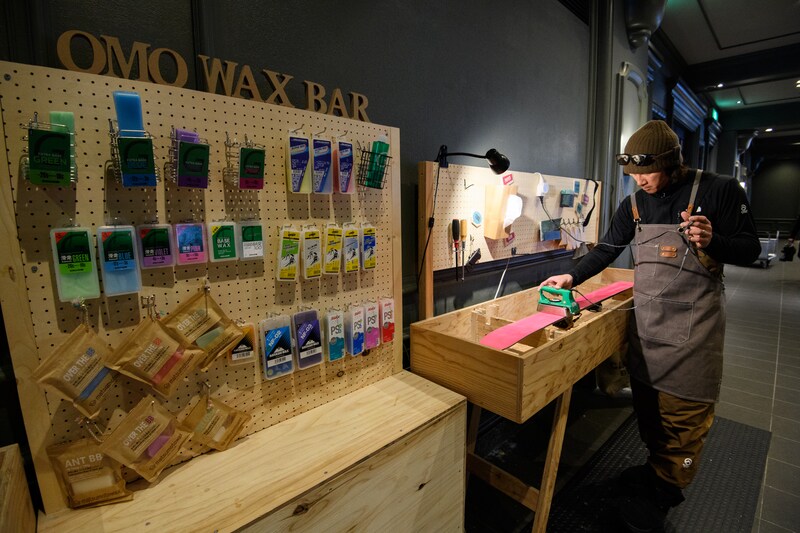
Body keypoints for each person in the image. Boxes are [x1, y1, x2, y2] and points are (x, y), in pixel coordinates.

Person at [540, 120, 761, 532]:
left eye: (648, 172)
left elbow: (750, 248)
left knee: (684, 419)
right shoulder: (635, 204)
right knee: (649, 411)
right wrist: (572, 276)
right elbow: (607, 248)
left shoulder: (720, 190)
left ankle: (665, 493)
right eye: (633, 174)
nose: (640, 181)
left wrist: (713, 241)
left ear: (672, 163)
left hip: (693, 334)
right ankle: (653, 471)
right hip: (648, 328)